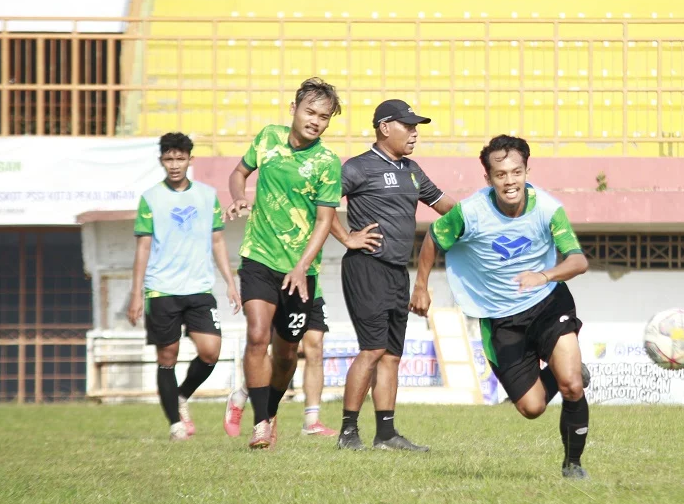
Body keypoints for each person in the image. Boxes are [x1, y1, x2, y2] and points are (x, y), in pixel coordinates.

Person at [411, 134, 593, 479]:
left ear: (526, 170)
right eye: (500, 174)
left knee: (571, 385)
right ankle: (560, 376)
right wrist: (421, 287)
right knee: (532, 407)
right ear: (488, 178)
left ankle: (573, 464)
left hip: (547, 305)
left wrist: (544, 276)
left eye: (516, 171)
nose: (509, 181)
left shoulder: (548, 209)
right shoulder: (471, 212)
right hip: (501, 320)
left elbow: (578, 261)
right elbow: (434, 236)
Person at [220, 77, 343, 450]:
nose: (315, 121)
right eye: (310, 112)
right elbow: (238, 173)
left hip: (300, 272)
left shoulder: (327, 163)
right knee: (257, 335)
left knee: (287, 352)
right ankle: (260, 424)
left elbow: (324, 221)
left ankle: (269, 411)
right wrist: (240, 197)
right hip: (258, 255)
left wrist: (301, 266)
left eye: (324, 117)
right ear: (293, 110)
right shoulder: (267, 138)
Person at [332, 99, 456, 451]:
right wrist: (347, 238)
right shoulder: (357, 167)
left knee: (391, 355)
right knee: (371, 349)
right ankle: (347, 433)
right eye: (408, 126)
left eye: (416, 126)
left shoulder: (412, 170)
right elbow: (320, 205)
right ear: (385, 128)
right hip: (366, 267)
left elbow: (445, 206)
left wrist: (485, 213)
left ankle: (385, 434)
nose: (415, 132)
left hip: (398, 271)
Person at [127, 132, 241, 441]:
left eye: (180, 158)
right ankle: (175, 423)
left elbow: (217, 240)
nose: (174, 164)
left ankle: (180, 396)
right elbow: (143, 248)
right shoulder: (151, 198)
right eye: (168, 159)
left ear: (190, 160)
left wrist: (231, 282)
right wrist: (136, 293)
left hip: (199, 289)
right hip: (161, 289)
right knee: (168, 357)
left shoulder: (206, 195)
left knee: (210, 351)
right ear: (161, 160)